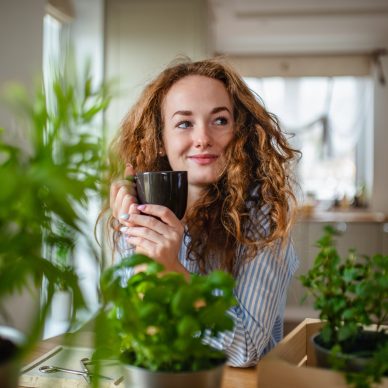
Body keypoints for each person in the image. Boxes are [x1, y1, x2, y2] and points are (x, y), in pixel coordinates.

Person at [103, 57, 300, 367]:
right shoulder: (143, 206)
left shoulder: (262, 216)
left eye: (219, 120)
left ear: (240, 132)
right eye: (184, 123)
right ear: (161, 141)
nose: (203, 138)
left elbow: (246, 349)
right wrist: (136, 235)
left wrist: (170, 270)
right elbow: (126, 330)